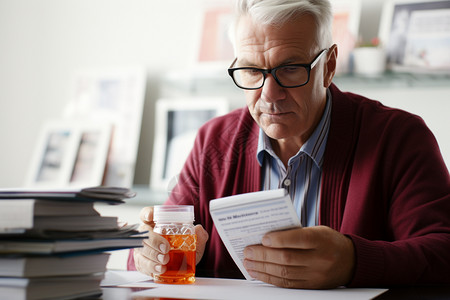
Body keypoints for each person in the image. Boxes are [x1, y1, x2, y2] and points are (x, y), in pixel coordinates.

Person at [129, 0, 450, 289]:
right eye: (252, 70)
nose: (269, 94)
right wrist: (151, 253)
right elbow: (142, 256)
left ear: (330, 66)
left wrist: (354, 261)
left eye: (290, 68)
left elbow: (442, 250)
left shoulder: (398, 137)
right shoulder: (213, 142)